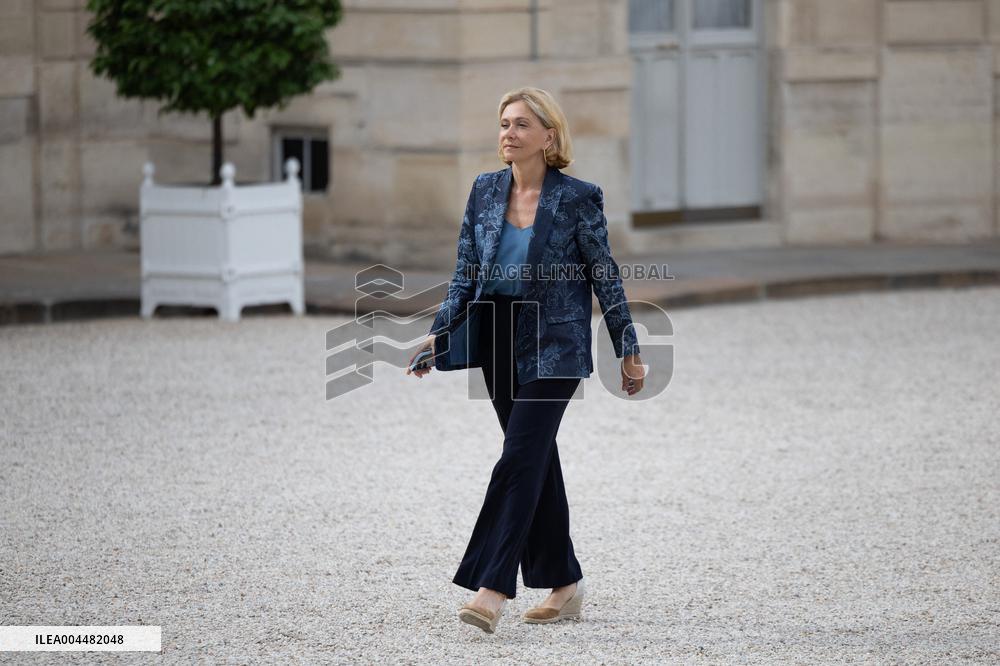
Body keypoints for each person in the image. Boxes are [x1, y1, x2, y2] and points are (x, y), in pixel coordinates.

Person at [406, 86, 645, 634]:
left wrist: (628, 349)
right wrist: (439, 335)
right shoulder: (484, 191)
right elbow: (466, 272)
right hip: (496, 338)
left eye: (519, 124)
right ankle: (564, 583)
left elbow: (604, 274)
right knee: (535, 458)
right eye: (503, 124)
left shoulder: (578, 197)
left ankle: (491, 589)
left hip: (556, 344)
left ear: (548, 136)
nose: (507, 134)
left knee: (518, 457)